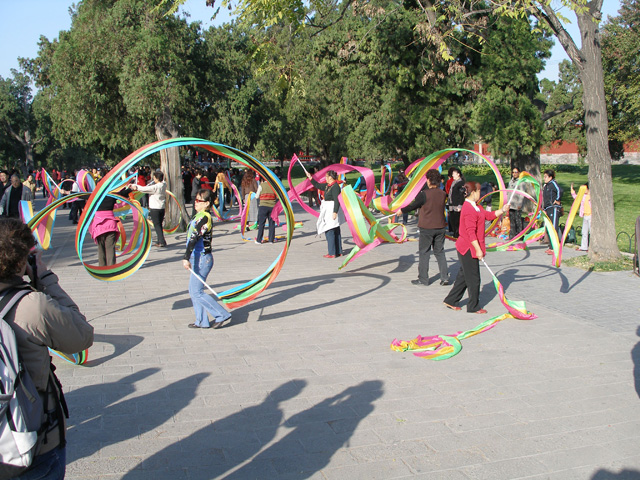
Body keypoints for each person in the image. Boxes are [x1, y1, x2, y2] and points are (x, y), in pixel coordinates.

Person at [0, 218, 94, 479]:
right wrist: (45, 278)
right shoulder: (32, 305)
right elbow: (81, 337)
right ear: (21, 260)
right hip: (33, 438)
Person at [443, 181, 510, 314]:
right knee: (474, 277)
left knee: (464, 275)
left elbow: (487, 215)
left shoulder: (476, 206)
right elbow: (470, 231)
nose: (481, 194)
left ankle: (451, 300)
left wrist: (502, 210)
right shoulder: (468, 209)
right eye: (479, 191)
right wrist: (478, 249)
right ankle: (473, 306)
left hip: (469, 246)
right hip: (467, 247)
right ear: (473, 192)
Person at [182, 189, 231, 329]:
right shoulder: (198, 216)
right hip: (196, 257)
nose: (195, 203)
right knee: (193, 291)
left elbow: (194, 237)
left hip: (203, 258)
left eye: (199, 201)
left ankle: (221, 314)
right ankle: (201, 321)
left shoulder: (205, 218)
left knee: (197, 291)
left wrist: (186, 257)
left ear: (207, 203)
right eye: (195, 200)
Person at [401, 169, 450, 286]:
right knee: (440, 252)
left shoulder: (424, 194)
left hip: (427, 227)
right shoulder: (443, 194)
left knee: (424, 252)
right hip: (440, 226)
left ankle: (423, 279)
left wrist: (401, 211)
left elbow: (413, 206)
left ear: (428, 180)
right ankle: (444, 277)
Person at [89, 186, 132, 266]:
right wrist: (130, 188)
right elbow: (122, 194)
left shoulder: (94, 197)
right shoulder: (112, 196)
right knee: (110, 248)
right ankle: (111, 268)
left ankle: (102, 268)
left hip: (99, 226)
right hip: (111, 225)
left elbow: (80, 195)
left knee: (101, 248)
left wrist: (67, 192)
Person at [307, 170, 343, 258]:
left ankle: (332, 253)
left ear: (330, 177)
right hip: (328, 210)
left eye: (326, 176)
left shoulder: (335, 187)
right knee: (334, 230)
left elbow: (337, 200)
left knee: (330, 230)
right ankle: (338, 251)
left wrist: (335, 212)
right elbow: (317, 185)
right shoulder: (328, 186)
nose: (325, 178)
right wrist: (310, 178)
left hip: (331, 210)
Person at [132, 171, 167, 248]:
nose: (153, 179)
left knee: (157, 225)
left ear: (157, 178)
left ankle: (161, 241)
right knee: (159, 224)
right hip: (162, 207)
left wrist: (136, 187)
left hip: (155, 208)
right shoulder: (164, 184)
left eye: (154, 177)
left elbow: (145, 189)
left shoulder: (155, 187)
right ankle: (160, 240)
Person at [542, 169, 562, 255]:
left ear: (550, 177)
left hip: (553, 208)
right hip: (547, 208)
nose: (544, 178)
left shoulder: (553, 184)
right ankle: (551, 247)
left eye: (546, 177)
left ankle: (555, 248)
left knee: (553, 228)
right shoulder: (546, 186)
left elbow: (560, 191)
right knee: (549, 228)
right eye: (544, 177)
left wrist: (557, 200)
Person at [255, 176, 277, 244]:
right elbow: (277, 195)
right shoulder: (274, 185)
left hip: (263, 206)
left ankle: (259, 240)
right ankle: (271, 240)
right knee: (272, 223)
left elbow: (257, 196)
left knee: (261, 224)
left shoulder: (262, 185)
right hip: (272, 206)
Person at [571, 182, 591, 252]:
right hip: (585, 215)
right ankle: (584, 246)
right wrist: (572, 191)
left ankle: (591, 247)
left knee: (591, 232)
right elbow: (576, 198)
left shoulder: (591, 197)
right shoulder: (583, 196)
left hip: (591, 216)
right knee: (584, 232)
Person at [447, 167, 465, 238]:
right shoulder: (453, 182)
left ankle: (457, 233)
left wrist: (460, 205)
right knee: (452, 219)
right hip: (451, 203)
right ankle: (454, 232)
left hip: (457, 204)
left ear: (458, 174)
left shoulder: (461, 183)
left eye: (454, 174)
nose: (453, 175)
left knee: (457, 219)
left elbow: (462, 195)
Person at [507, 168, 525, 238]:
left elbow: (522, 194)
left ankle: (520, 235)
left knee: (518, 220)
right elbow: (508, 192)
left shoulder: (521, 182)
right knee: (512, 220)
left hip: (517, 204)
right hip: (511, 204)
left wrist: (520, 204)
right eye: (513, 172)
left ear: (519, 173)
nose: (514, 174)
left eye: (516, 172)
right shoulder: (511, 182)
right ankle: (512, 235)